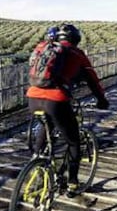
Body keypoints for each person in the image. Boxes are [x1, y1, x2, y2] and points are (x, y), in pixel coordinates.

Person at [26, 23, 109, 198]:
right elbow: (92, 80)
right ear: (76, 39)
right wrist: (102, 100)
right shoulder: (76, 54)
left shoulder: (45, 48)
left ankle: (37, 159)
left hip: (33, 97)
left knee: (46, 125)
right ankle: (72, 183)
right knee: (73, 141)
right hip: (56, 100)